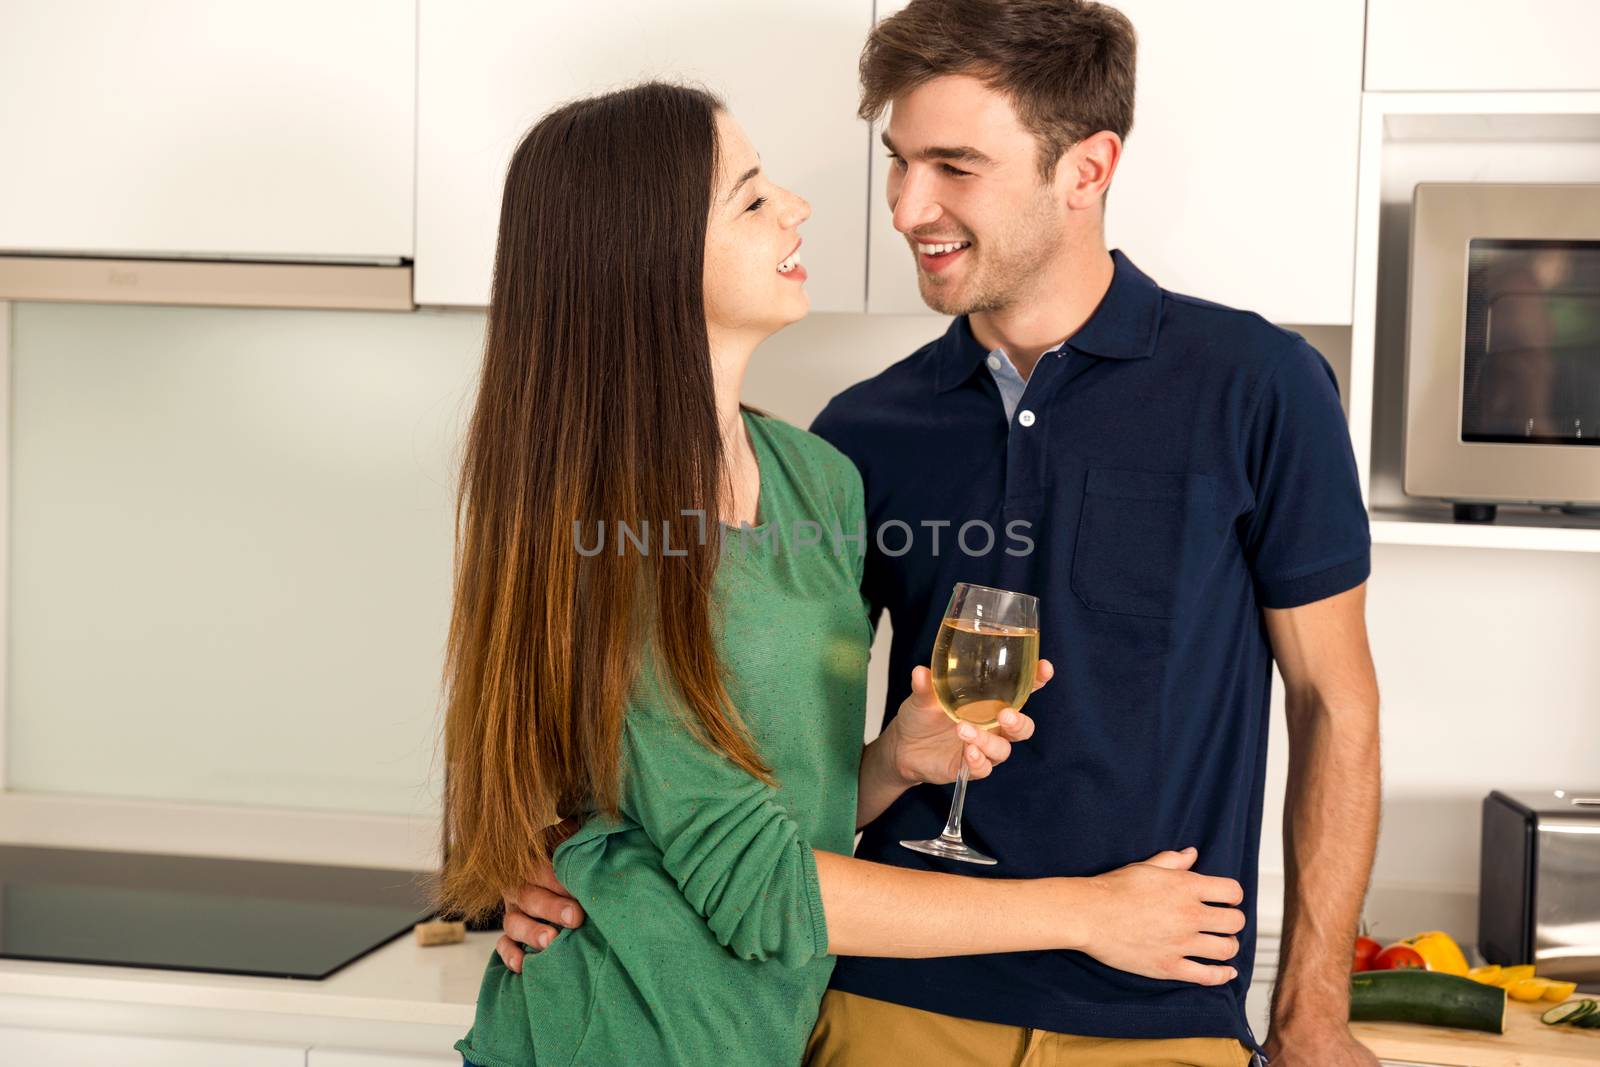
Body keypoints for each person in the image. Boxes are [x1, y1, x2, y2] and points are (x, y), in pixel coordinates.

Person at [507, 3, 1383, 1066]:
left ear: (1086, 168)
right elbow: (732, 725)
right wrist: (558, 847)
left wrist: (1310, 1007)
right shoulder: (859, 436)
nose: (905, 204)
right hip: (878, 1001)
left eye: (954, 166)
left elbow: (1334, 700)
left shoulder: (1259, 387)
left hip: (1155, 1003)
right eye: (899, 161)